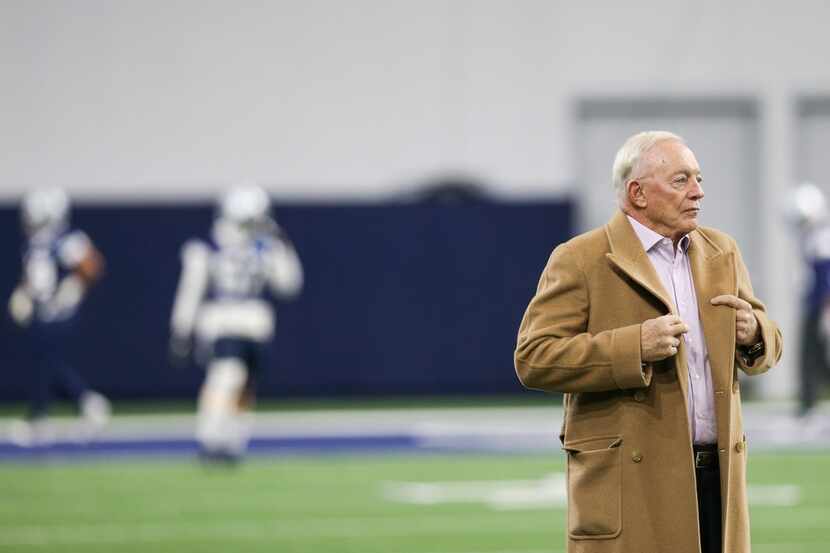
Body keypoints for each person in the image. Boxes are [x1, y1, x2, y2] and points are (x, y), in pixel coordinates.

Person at [514, 131, 782, 553]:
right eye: (681, 180)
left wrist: (755, 333)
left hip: (718, 479)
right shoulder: (580, 259)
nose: (699, 191)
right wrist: (632, 347)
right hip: (631, 483)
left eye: (699, 178)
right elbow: (534, 357)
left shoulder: (722, 252)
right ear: (637, 193)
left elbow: (768, 340)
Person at [169, 184, 303, 463]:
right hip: (222, 319)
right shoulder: (208, 246)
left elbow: (289, 285)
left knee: (246, 386)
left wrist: (282, 247)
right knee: (225, 376)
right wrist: (182, 328)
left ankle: (233, 440)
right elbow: (191, 290)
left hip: (254, 322)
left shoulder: (268, 246)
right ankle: (209, 437)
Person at [7, 187, 110, 446]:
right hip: (41, 308)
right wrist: (23, 294)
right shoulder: (34, 244)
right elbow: (35, 277)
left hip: (59, 310)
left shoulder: (68, 240)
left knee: (46, 361)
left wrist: (74, 287)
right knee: (45, 362)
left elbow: (92, 266)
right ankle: (85, 404)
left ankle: (44, 416)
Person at [789, 182, 830, 419]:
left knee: (814, 351)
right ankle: (809, 399)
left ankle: (809, 400)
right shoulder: (812, 235)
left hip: (820, 305)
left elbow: (825, 275)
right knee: (812, 351)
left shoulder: (822, 237)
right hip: (813, 303)